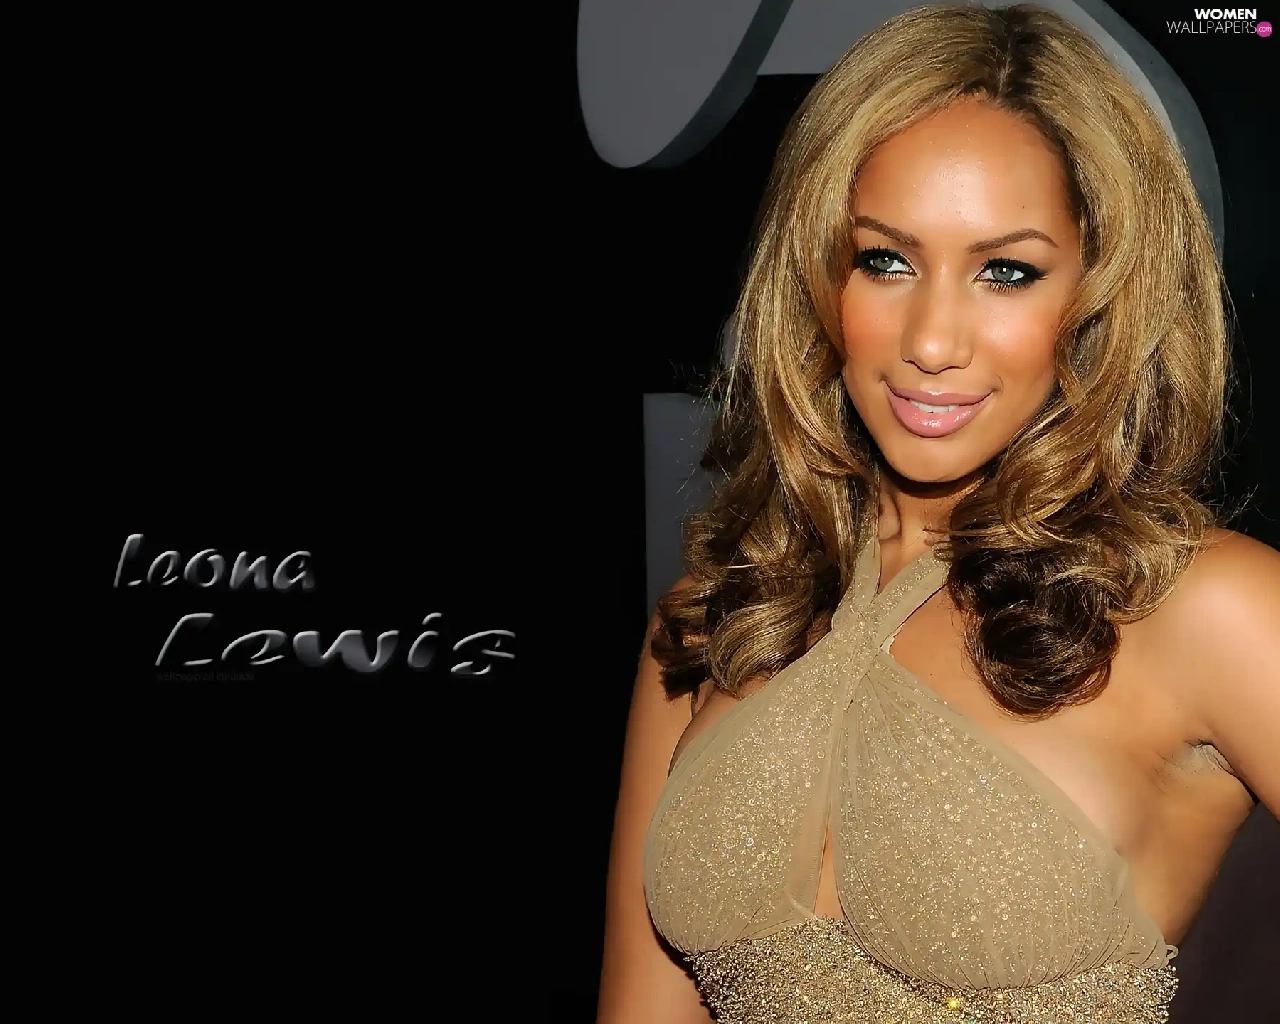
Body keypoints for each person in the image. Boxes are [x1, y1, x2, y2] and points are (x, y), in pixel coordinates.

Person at [595, 4, 1279, 1023]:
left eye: (1006, 272)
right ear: (817, 273)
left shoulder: (1204, 605)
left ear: (1098, 292)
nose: (930, 339)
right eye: (885, 260)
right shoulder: (717, 617)